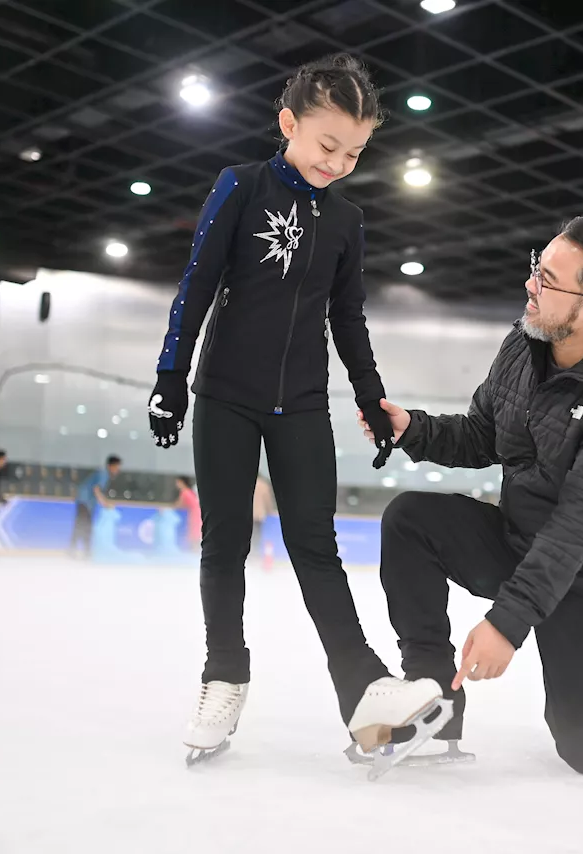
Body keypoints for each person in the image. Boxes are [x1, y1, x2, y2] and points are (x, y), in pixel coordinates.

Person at [146, 53, 441, 767]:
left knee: (317, 547)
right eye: (326, 145)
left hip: (303, 403)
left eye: (354, 153)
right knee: (227, 544)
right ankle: (225, 676)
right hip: (226, 396)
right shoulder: (240, 188)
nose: (338, 163)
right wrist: (170, 376)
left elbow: (349, 319)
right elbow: (197, 283)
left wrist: (371, 400)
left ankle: (364, 690)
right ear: (288, 124)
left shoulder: (346, 219)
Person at [355, 216, 583, 776]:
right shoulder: (526, 341)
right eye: (536, 266)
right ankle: (432, 695)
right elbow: (483, 434)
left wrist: (508, 621)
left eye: (548, 280)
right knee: (411, 517)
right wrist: (414, 429)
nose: (530, 285)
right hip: (519, 542)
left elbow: (581, 526)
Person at [70, 455, 119, 559]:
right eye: (117, 467)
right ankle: (84, 552)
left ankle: (77, 551)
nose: (117, 470)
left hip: (85, 501)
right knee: (84, 526)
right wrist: (104, 503)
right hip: (85, 501)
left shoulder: (103, 473)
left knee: (81, 525)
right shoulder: (104, 474)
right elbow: (96, 489)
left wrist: (104, 501)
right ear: (111, 466)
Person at [175, 476, 202, 551]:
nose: (176, 485)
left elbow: (179, 505)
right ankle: (195, 550)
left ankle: (194, 550)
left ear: (182, 482)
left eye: (177, 482)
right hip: (197, 513)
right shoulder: (190, 492)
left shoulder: (185, 492)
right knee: (195, 534)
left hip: (194, 514)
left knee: (194, 535)